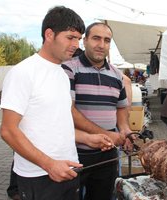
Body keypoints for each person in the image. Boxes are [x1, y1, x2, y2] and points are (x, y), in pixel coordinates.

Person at [0, 6, 113, 200]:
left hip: (69, 169)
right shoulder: (23, 72)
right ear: (49, 34)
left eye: (78, 38)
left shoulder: (62, 74)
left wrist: (87, 138)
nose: (76, 44)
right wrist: (49, 164)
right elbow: (8, 130)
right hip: (39, 175)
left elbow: (59, 124)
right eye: (70, 37)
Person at [61, 22, 132, 200]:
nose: (101, 45)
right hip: (75, 153)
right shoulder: (69, 68)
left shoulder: (117, 75)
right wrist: (105, 134)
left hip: (107, 156)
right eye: (96, 38)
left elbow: (121, 107)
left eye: (107, 40)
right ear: (85, 41)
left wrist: (124, 129)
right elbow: (67, 110)